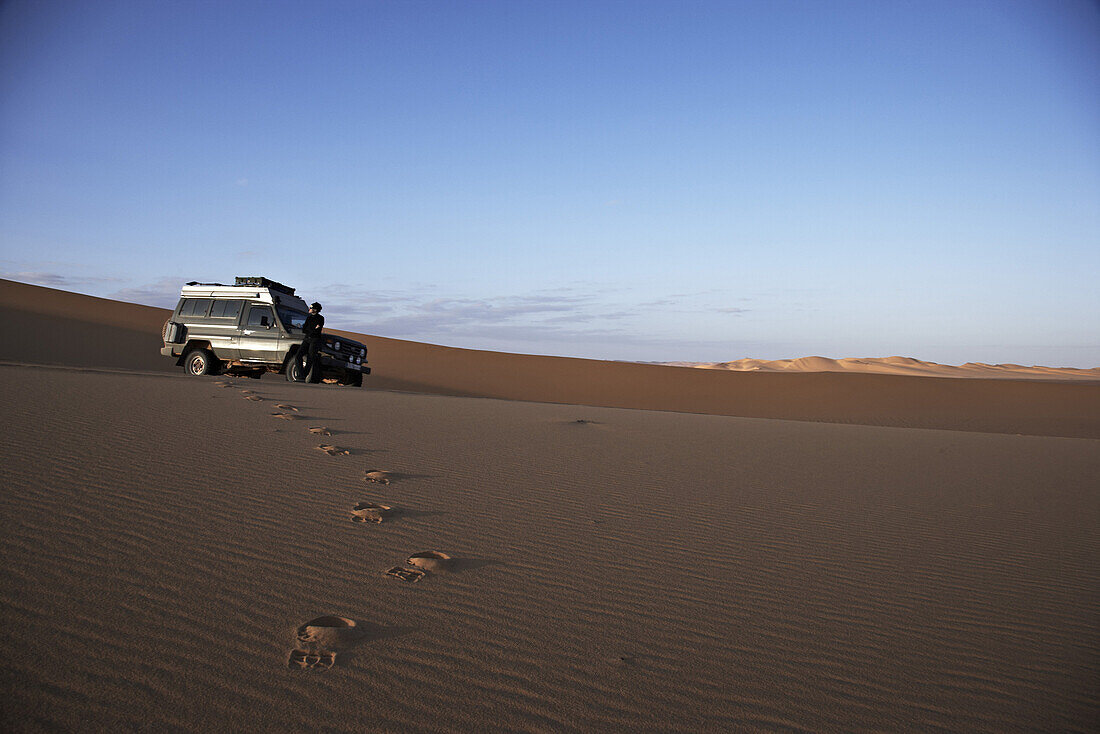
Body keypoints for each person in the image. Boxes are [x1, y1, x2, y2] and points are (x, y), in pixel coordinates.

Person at [299, 302, 325, 383]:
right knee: (298, 355)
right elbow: (304, 329)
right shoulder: (309, 318)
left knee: (310, 358)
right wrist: (312, 329)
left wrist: (311, 330)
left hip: (314, 340)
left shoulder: (320, 318)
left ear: (315, 309)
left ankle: (303, 376)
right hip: (307, 339)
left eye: (311, 307)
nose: (309, 309)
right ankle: (301, 373)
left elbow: (317, 330)